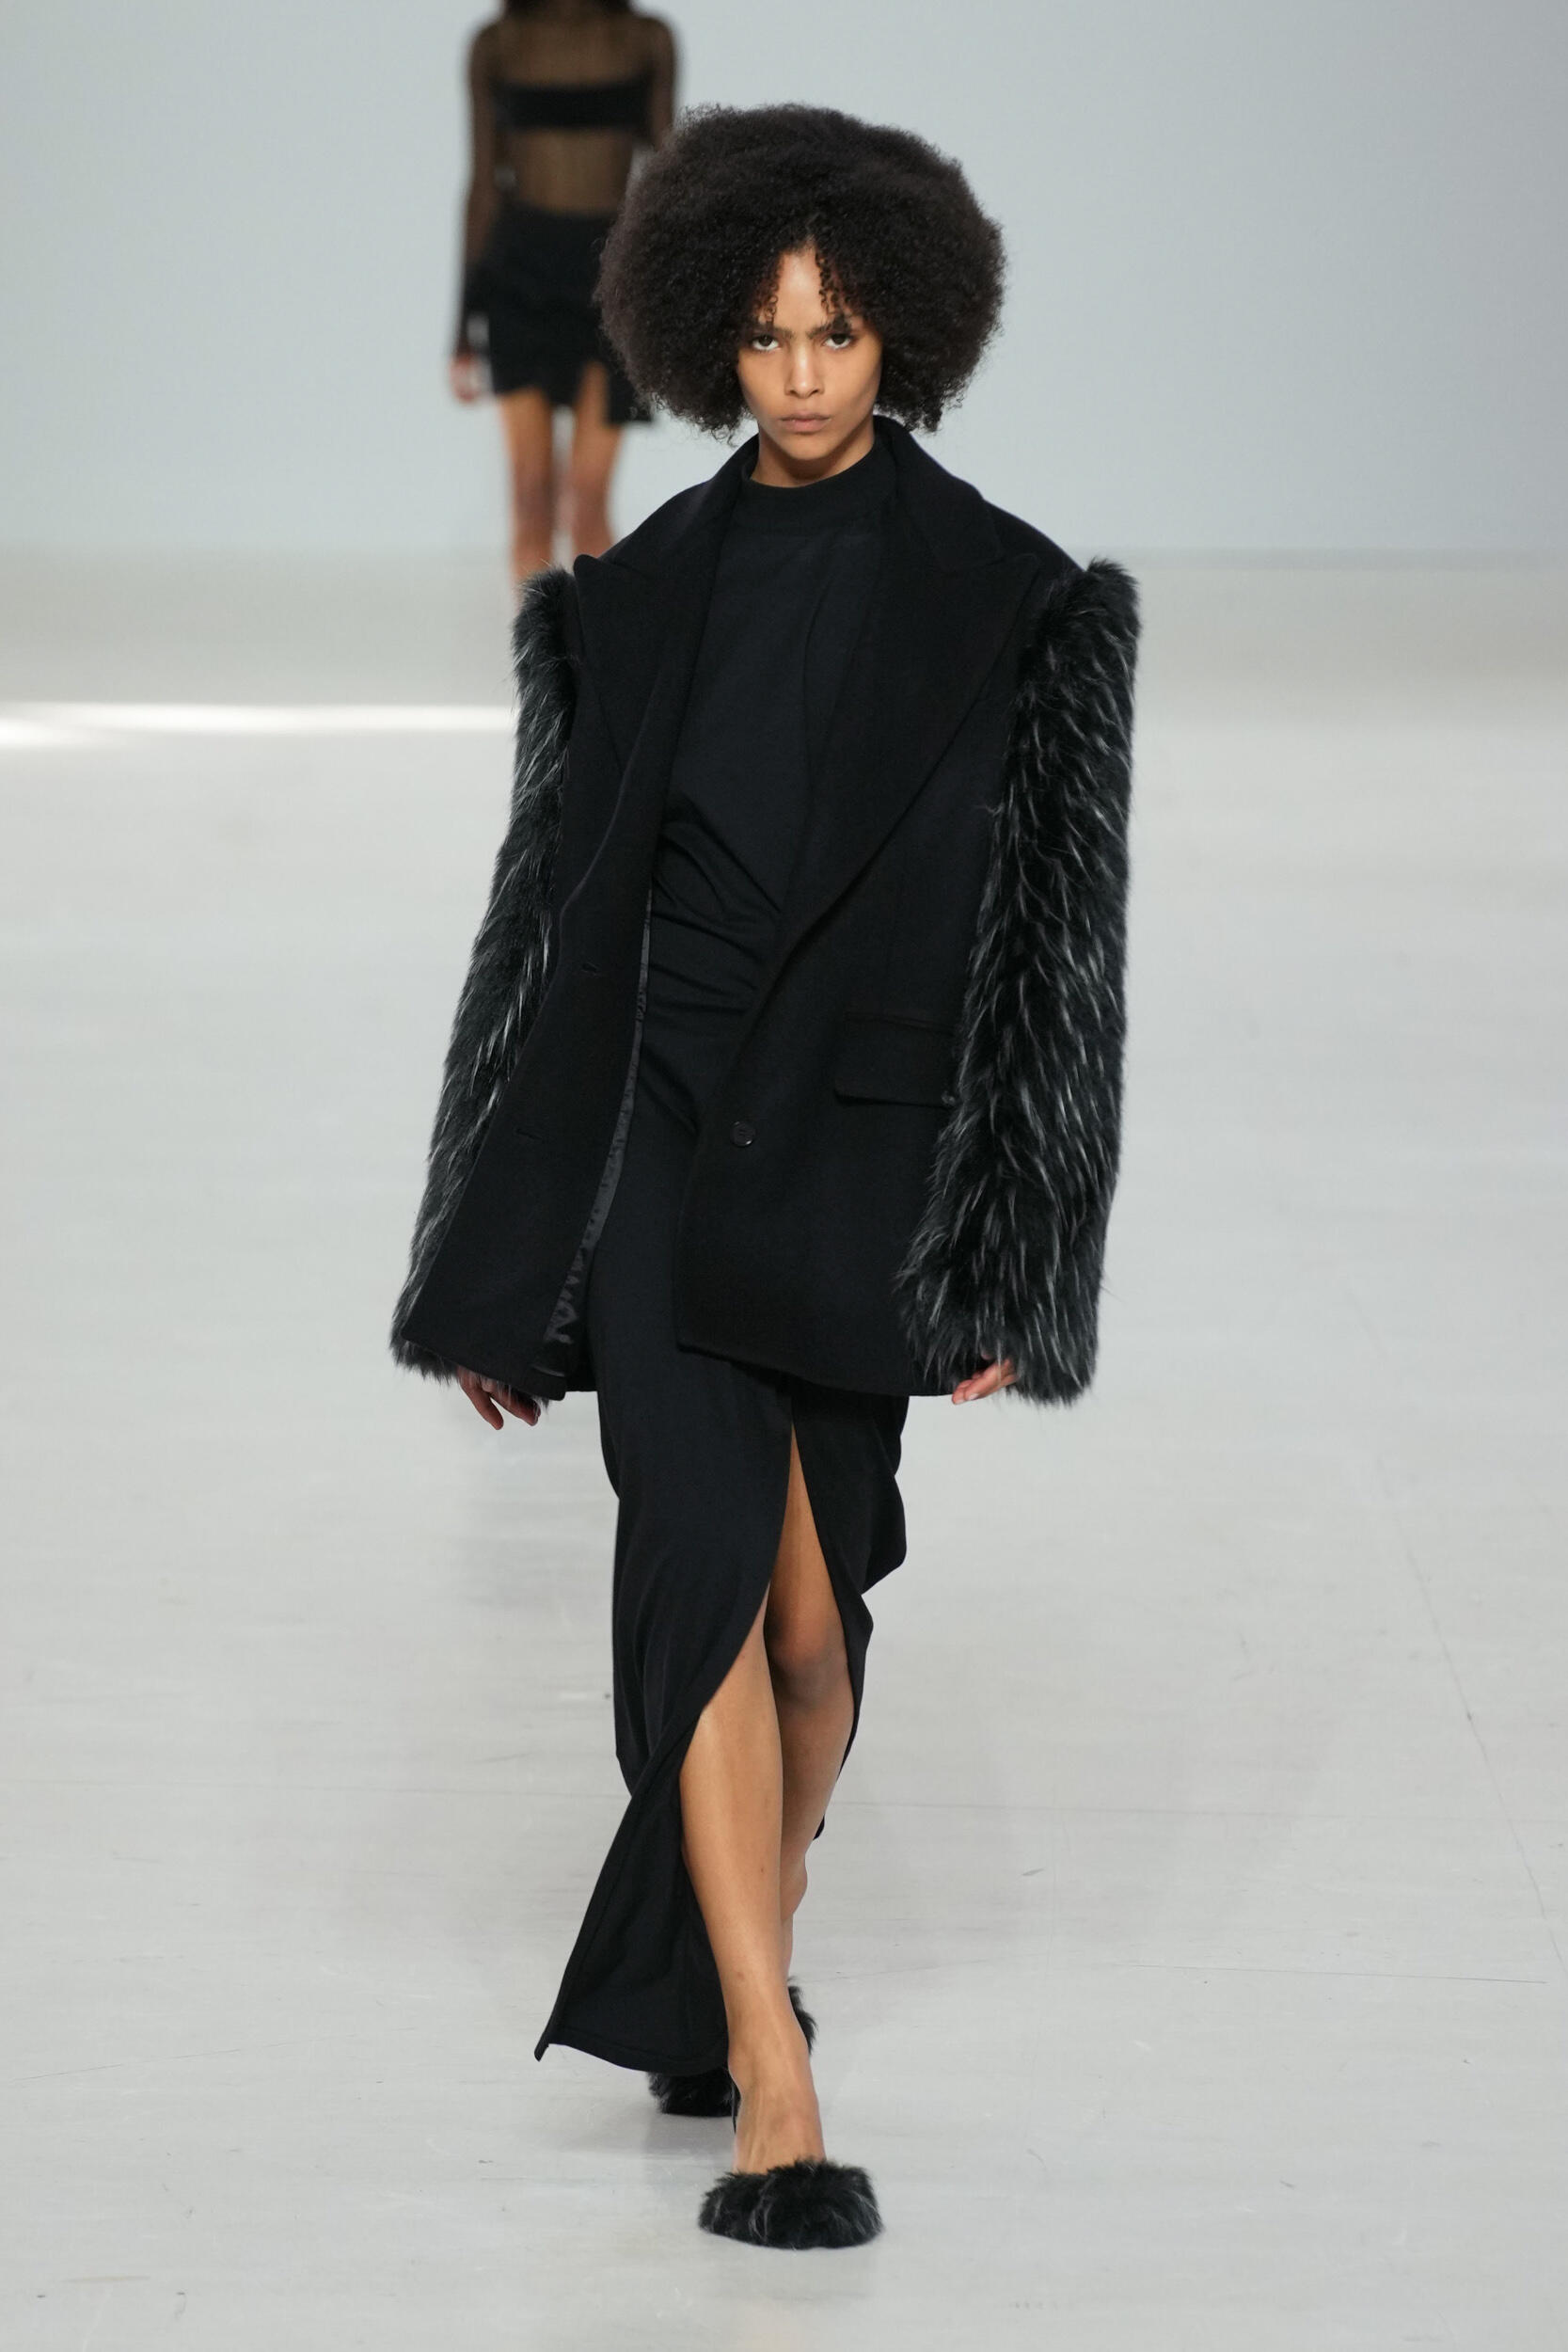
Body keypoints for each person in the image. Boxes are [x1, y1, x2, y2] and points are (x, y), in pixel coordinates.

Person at [394, 103, 1138, 2250]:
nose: (803, 373)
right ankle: (769, 2080)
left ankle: (733, 1959)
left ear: (904, 335)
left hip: (859, 1154)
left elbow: (1056, 954)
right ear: (708, 338)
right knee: (709, 1579)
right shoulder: (626, 602)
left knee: (816, 1631)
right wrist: (489, 1255)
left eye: (839, 333)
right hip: (658, 1129)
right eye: (767, 334)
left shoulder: (1020, 604)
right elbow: (540, 933)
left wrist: (1019, 1248)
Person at [451, 0, 676, 583]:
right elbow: (483, 184)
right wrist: (462, 329)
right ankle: (539, 644)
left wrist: (673, 300)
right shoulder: (498, 44)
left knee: (587, 497)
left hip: (614, 277)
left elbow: (669, 179)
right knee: (531, 494)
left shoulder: (645, 40)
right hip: (520, 274)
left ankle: (593, 642)